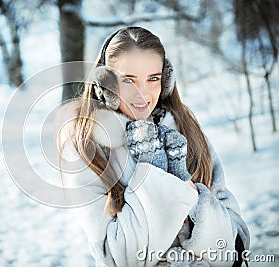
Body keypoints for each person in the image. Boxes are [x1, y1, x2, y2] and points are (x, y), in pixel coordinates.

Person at [56, 26, 249, 266]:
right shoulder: (88, 146)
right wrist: (154, 173)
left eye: (153, 78)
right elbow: (117, 258)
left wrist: (196, 205)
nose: (142, 94)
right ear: (106, 86)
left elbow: (235, 245)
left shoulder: (185, 130)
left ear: (166, 79)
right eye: (128, 79)